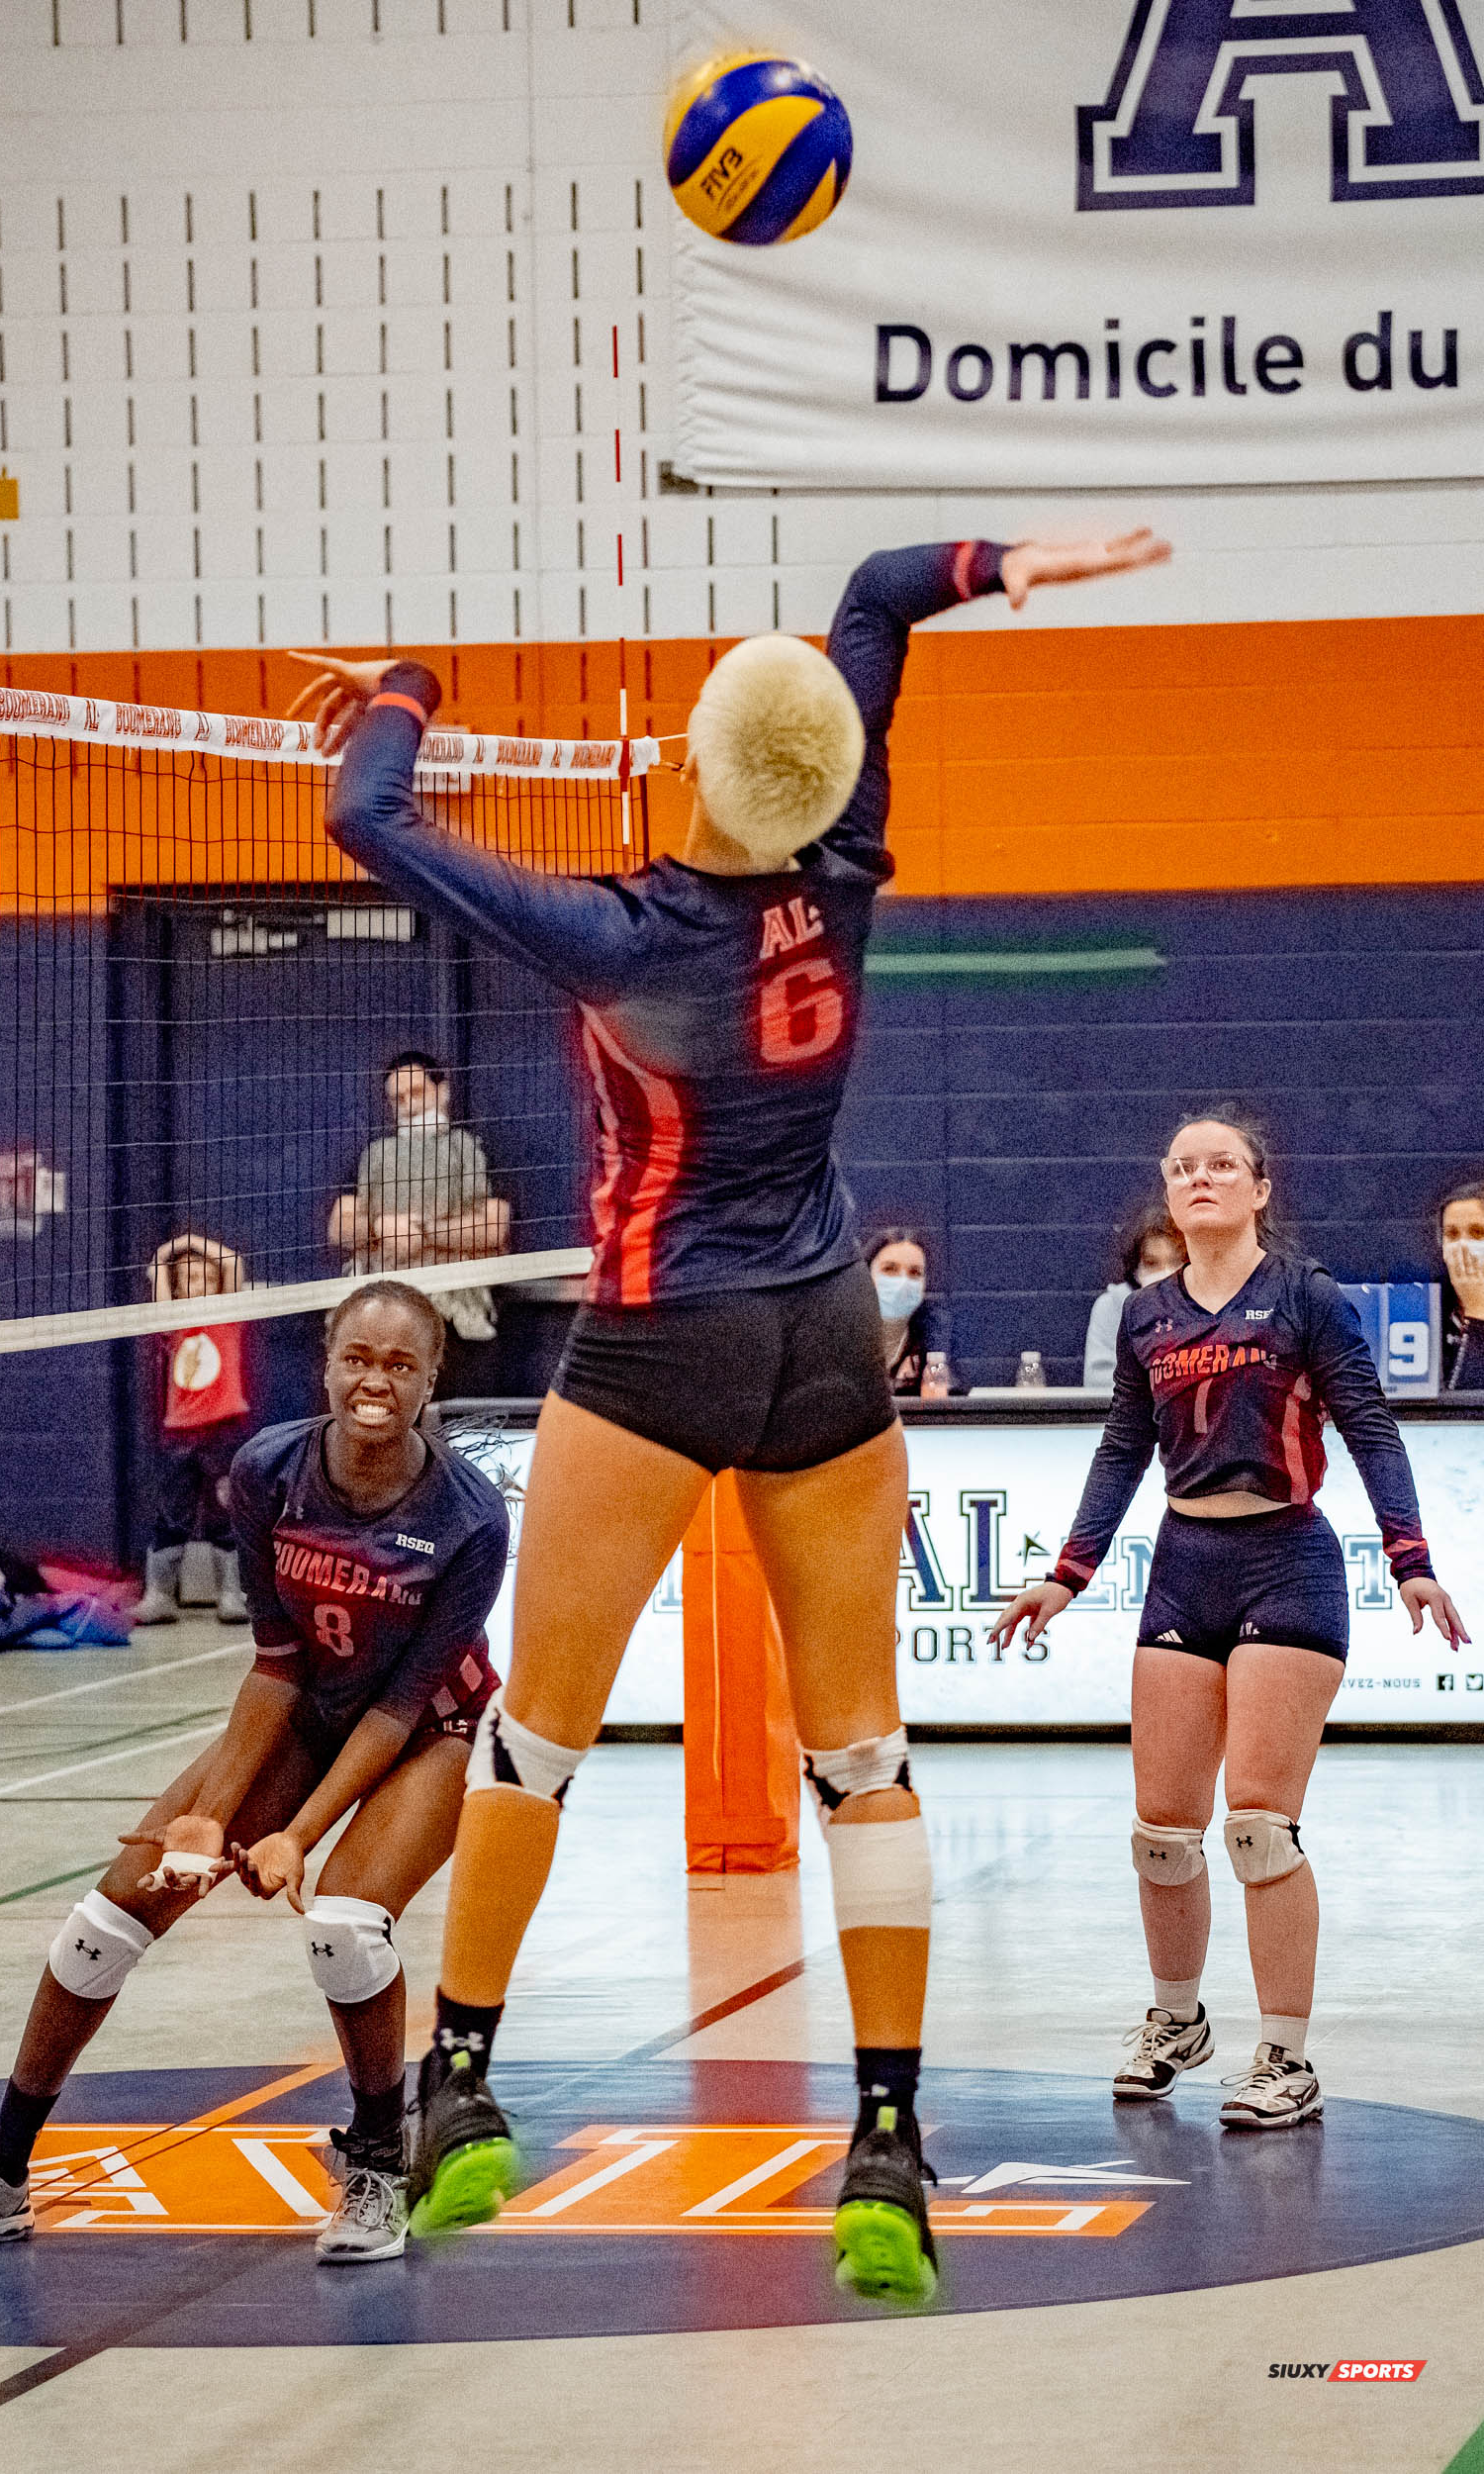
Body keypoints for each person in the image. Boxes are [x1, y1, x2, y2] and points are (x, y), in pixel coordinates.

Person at [289, 523, 1168, 2305]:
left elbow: (366, 820)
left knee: (536, 1731)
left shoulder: (615, 932)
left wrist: (403, 685)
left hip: (660, 1339)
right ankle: (889, 2148)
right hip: (831, 1334)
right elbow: (876, 605)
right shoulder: (838, 855)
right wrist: (1011, 571)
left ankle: (456, 2090)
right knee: (862, 1758)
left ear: (689, 757)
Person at [0, 1281, 510, 2267]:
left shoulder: (469, 1520)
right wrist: (208, 1818)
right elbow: (274, 1662)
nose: (374, 1381)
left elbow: (397, 1708)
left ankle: (378, 2163)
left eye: (400, 1364)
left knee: (346, 1931)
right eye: (358, 1357)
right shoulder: (269, 1470)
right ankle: (2, 2176)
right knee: (103, 1925)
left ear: (433, 1375)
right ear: (327, 1360)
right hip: (305, 1707)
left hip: (419, 1729)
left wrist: (298, 1837)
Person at [990, 1110, 1468, 2133]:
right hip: (1181, 1569)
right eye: (1182, 1167)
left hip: (1285, 1565)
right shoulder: (1143, 1314)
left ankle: (1286, 2056)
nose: (1200, 1178)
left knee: (1255, 1824)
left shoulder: (1306, 1298)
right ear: (1168, 1193)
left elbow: (1370, 1428)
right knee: (1162, 1834)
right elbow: (1123, 1446)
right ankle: (1175, 2021)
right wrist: (1065, 1574)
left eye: (1221, 1165)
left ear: (1257, 1188)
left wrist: (1410, 1558)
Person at [328, 1051, 511, 1344]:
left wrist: (424, 1233)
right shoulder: (375, 1154)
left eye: (416, 1092)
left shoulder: (471, 1149)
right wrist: (381, 1229)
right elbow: (340, 1226)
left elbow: (493, 1228)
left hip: (453, 1310)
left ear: (443, 1090)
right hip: (380, 1309)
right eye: (397, 1099)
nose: (409, 1105)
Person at [132, 1233, 254, 1626]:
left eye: (204, 1277)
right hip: (180, 1431)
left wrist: (191, 1242)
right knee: (171, 1512)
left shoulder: (227, 1316)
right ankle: (160, 1595)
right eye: (188, 1279)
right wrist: (170, 1253)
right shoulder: (175, 1323)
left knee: (226, 1513)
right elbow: (155, 1270)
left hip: (224, 1428)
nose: (197, 1284)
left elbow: (233, 1261)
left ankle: (232, 1594)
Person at [1082, 1209, 1186, 1390]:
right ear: (1136, 1268)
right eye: (1152, 1263)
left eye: (1175, 1261)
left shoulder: (1207, 1305)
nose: (1165, 1272)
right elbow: (1096, 1381)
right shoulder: (1111, 1307)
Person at [867, 1228, 960, 1397]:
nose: (903, 1282)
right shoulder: (838, 1332)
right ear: (865, 1276)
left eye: (914, 1272)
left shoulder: (935, 1332)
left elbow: (954, 1395)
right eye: (889, 1269)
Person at [1438, 1174, 1484, 1390]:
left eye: (1477, 1233)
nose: (1463, 1245)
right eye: (1452, 1234)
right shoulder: (1434, 1308)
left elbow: (1472, 1405)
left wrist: (1477, 1310)